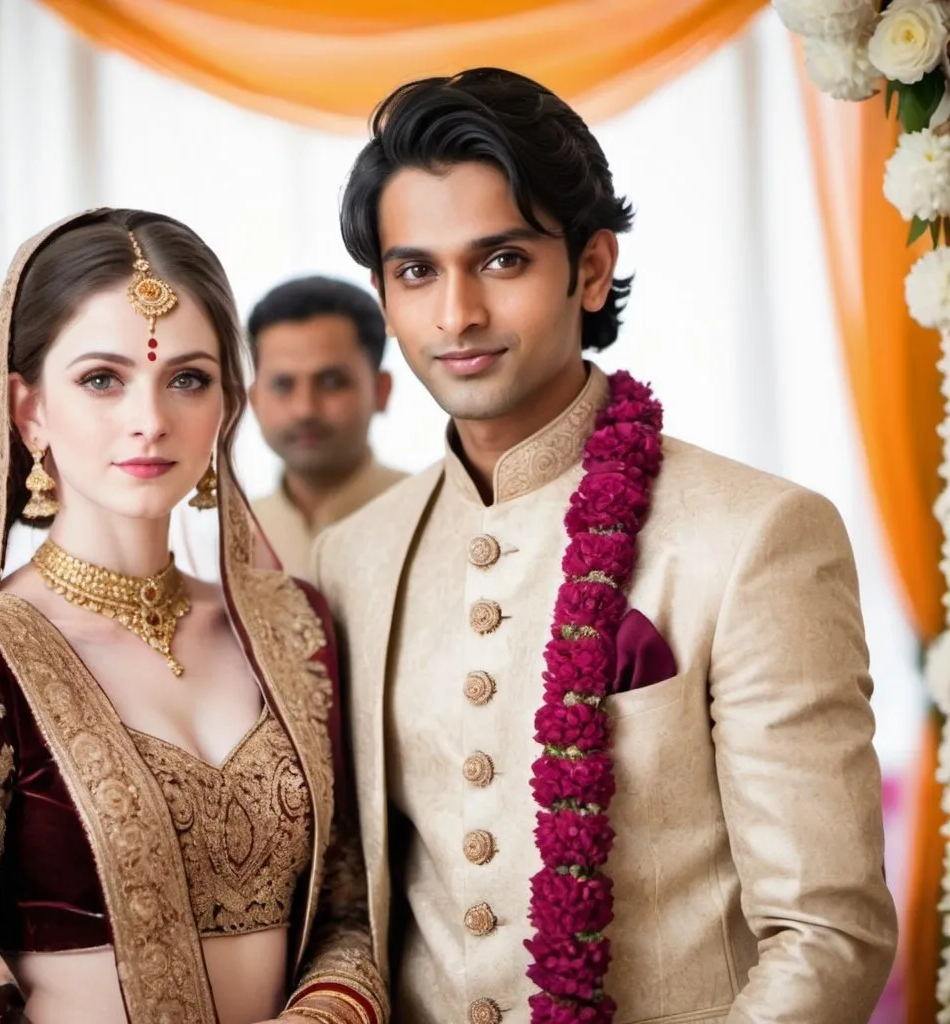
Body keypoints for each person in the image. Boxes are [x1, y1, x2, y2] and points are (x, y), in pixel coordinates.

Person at [312, 68, 898, 1023]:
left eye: (501, 260)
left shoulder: (756, 535)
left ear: (589, 268)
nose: (455, 314)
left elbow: (828, 936)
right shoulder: (353, 559)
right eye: (416, 271)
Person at [0, 209, 387, 1024]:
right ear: (29, 411)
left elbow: (350, 911)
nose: (151, 418)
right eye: (102, 378)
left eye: (188, 378)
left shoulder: (290, 627)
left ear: (225, 405)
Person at [247, 277, 405, 579]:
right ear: (253, 399)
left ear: (381, 390)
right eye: (283, 385)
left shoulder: (437, 518)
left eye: (332, 382)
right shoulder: (223, 540)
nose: (305, 409)